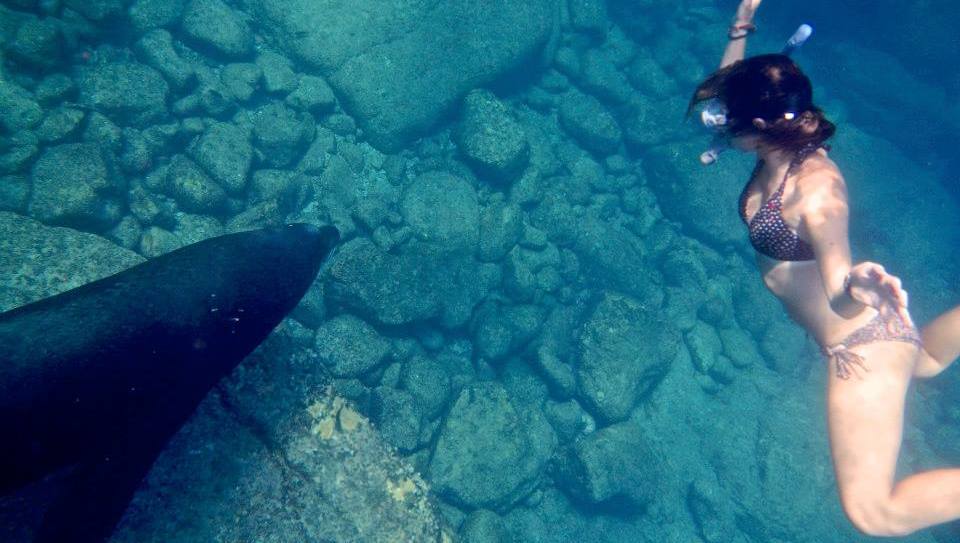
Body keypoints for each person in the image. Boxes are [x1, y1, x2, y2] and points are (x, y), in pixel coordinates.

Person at [688, 0, 960, 536]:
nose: (717, 124)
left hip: (861, 347)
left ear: (760, 125)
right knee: (922, 359)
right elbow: (725, 86)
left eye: (726, 121)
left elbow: (837, 284)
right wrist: (740, 27)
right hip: (888, 338)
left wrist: (859, 285)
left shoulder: (817, 195)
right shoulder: (778, 134)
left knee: (873, 513)